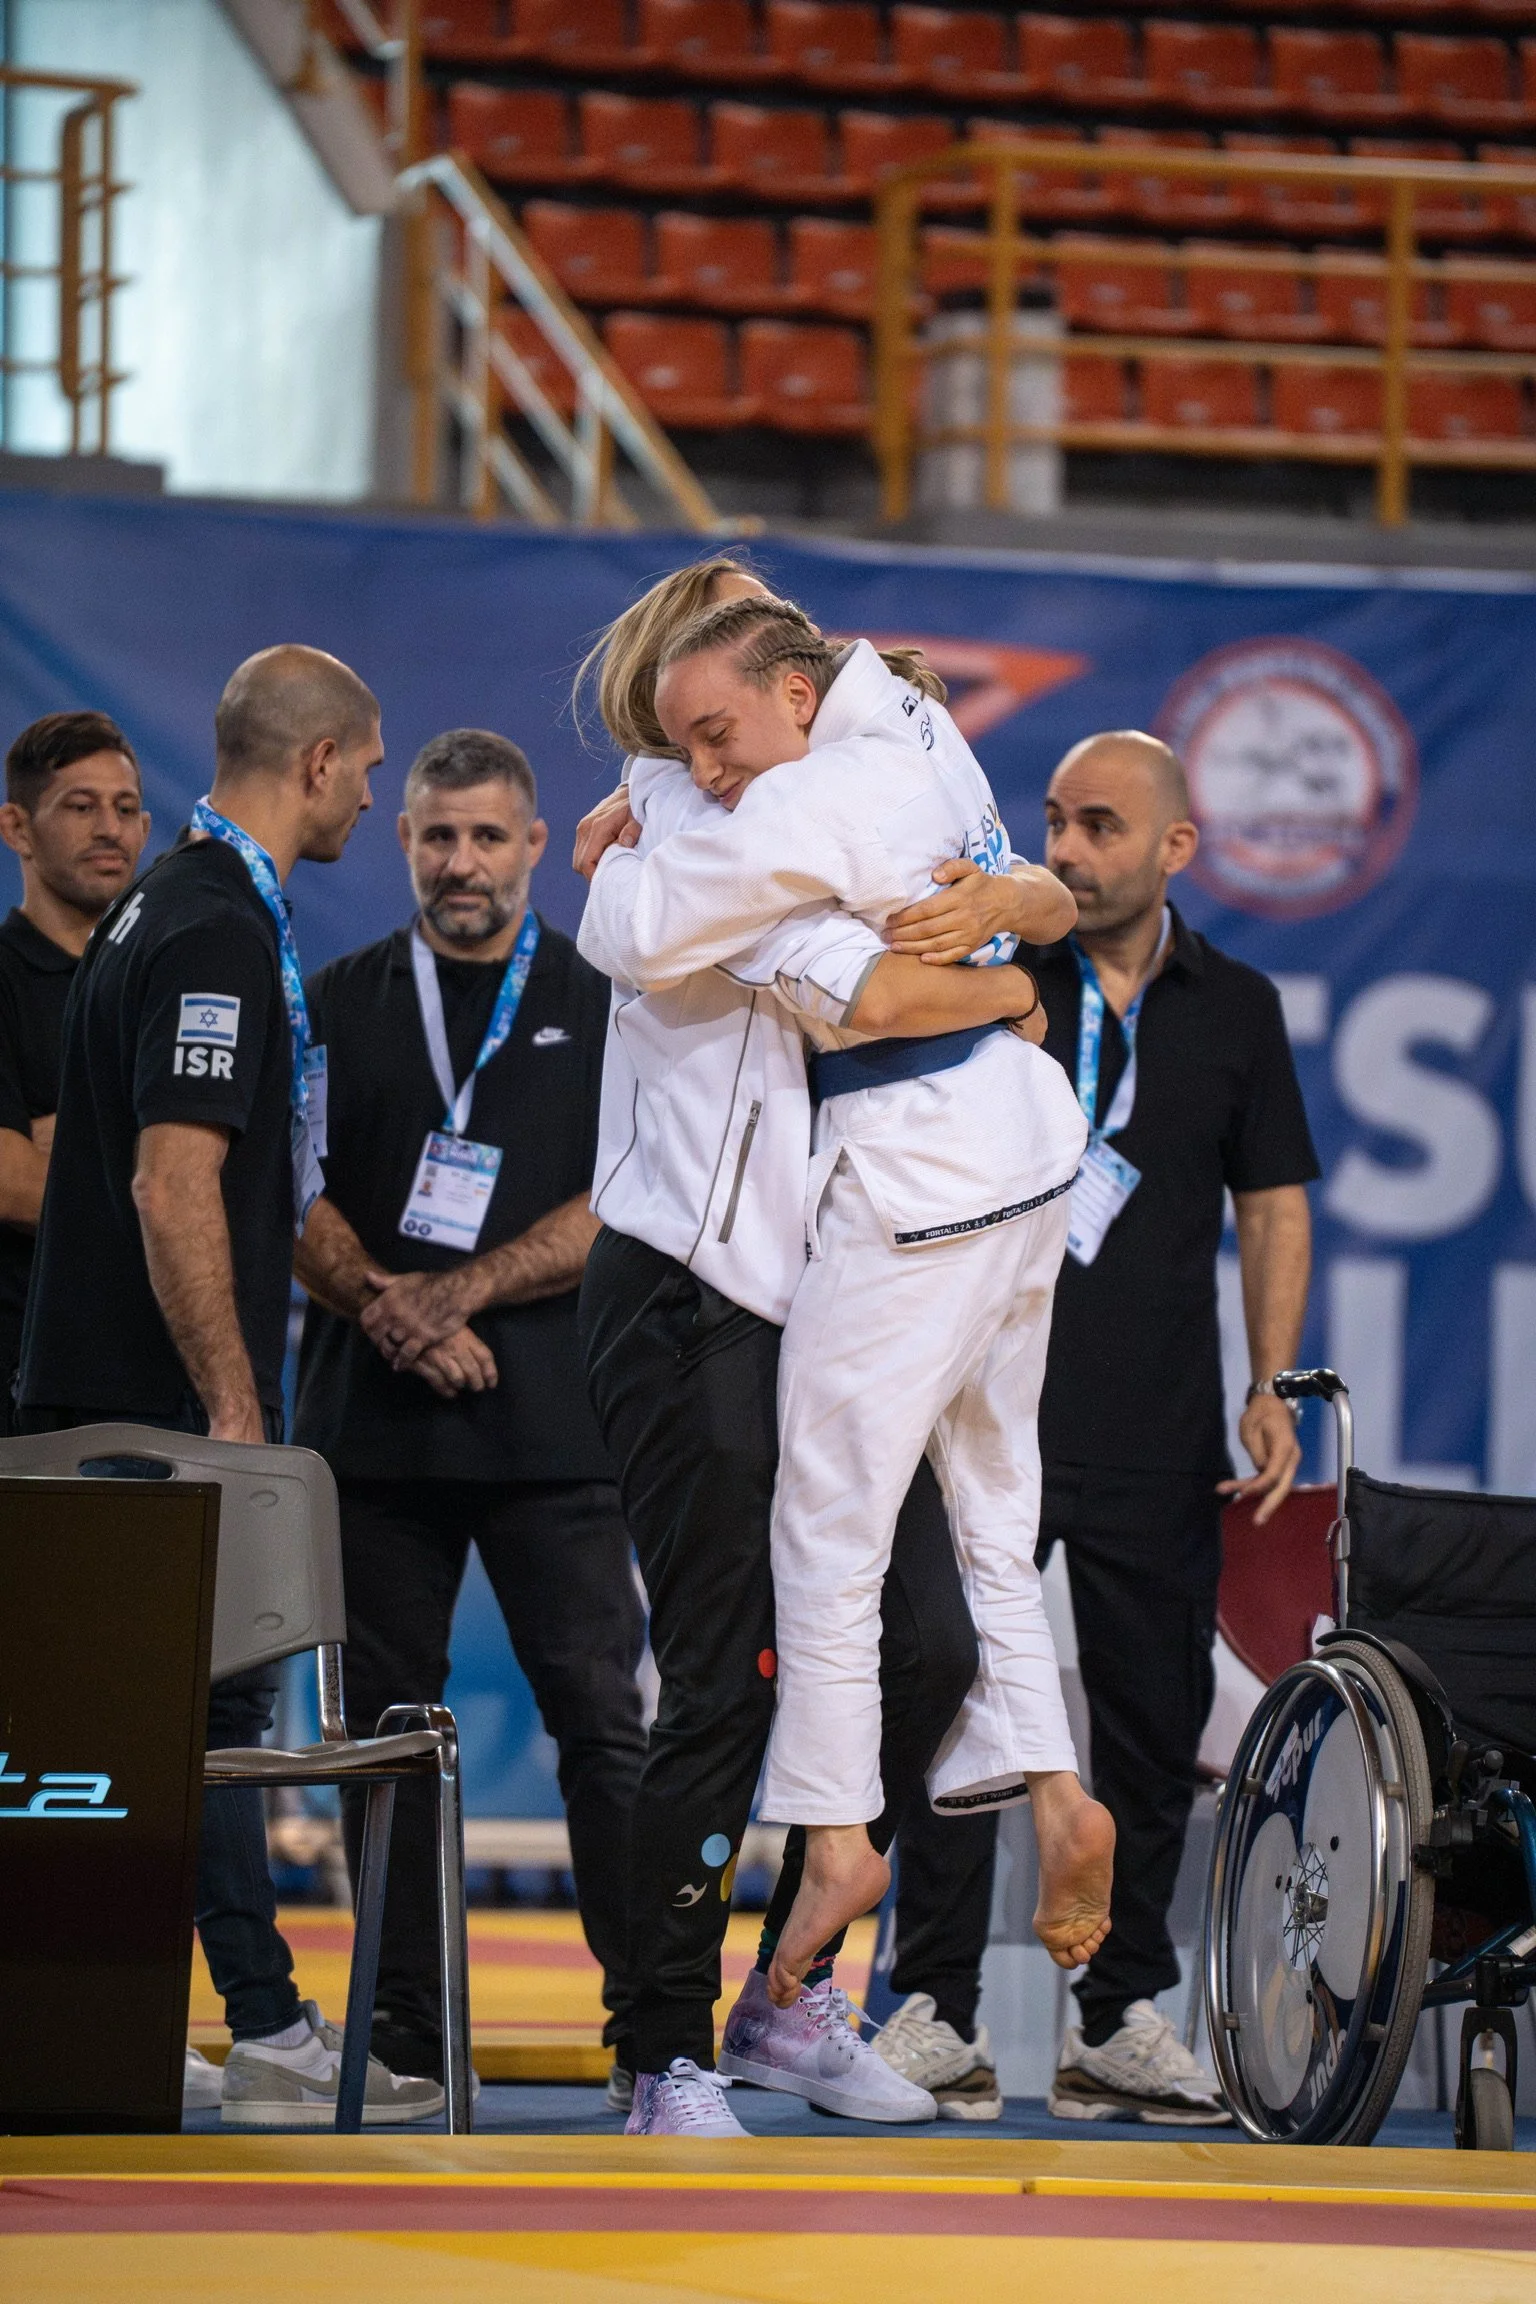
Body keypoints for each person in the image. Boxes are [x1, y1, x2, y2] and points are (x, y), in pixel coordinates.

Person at [572, 559, 1072, 2137]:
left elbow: (1008, 888)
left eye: (723, 732)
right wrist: (1011, 977)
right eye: (686, 744)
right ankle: (660, 2047)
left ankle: (790, 1997)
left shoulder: (858, 759)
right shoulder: (706, 832)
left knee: (921, 1646)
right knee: (725, 1677)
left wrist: (1018, 918)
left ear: (796, 692)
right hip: (684, 1295)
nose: (713, 763)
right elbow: (832, 987)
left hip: (827, 1292)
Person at [16, 644, 442, 2129]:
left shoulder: (165, 904)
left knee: (123, 1737)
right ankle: (267, 2029)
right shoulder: (211, 928)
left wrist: (370, 1301)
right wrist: (233, 1408)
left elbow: (239, 1182)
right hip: (150, 1408)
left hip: (100, 1390)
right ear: (316, 760)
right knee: (199, 1724)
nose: (372, 797)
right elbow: (173, 1179)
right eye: (367, 769)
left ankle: (120, 2012)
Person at [874, 730, 1319, 2125]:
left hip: (1156, 1426)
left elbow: (1274, 1204)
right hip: (981, 1412)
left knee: (1151, 1723)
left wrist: (1271, 1381)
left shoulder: (1235, 1006)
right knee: (958, 1706)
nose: (1064, 849)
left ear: (1176, 847)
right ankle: (933, 2006)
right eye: (1056, 820)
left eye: (1101, 826)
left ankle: (1118, 2016)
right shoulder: (1002, 975)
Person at [291, 726, 647, 2092]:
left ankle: (650, 2030)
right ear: (403, 842)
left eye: (488, 836)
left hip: (559, 1426)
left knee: (603, 1725)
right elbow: (288, 1188)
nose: (462, 862)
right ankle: (403, 2036)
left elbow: (628, 1193)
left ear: (535, 846)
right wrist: (392, 1305)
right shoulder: (336, 998)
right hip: (375, 1429)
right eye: (438, 836)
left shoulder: (602, 1000)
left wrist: (460, 1293)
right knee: (389, 1738)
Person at [0, 712, 150, 1424]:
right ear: (17, 828)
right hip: (23, 1386)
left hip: (151, 1378)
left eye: (125, 808)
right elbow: (11, 1182)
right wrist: (163, 1180)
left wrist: (71, 1142)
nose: (109, 829)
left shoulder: (160, 984)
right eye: (80, 807)